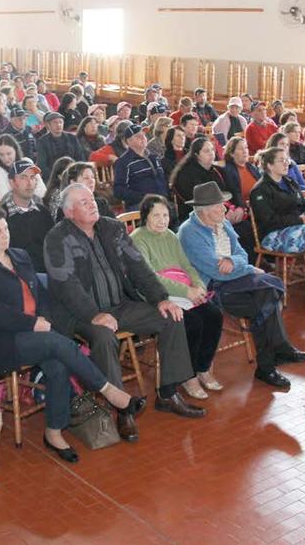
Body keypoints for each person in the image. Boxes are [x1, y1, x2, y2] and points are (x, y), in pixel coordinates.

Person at [0, 205, 144, 462]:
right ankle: (109, 391)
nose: (6, 235)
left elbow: (42, 296)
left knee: (58, 363)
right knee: (56, 345)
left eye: (6, 228)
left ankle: (53, 431)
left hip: (34, 336)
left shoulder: (20, 256)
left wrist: (45, 319)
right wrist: (32, 323)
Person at [44, 183, 205, 443]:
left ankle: (168, 392)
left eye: (92, 199)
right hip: (80, 314)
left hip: (120, 305)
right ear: (69, 212)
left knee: (172, 316)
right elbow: (66, 285)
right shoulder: (57, 238)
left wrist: (160, 299)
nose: (92, 203)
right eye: (84, 202)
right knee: (104, 336)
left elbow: (139, 267)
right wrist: (94, 314)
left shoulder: (113, 228)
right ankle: (122, 409)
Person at [178, 181, 305, 390]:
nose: (224, 208)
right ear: (203, 210)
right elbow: (215, 270)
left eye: (223, 204)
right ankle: (275, 355)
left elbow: (242, 254)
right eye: (218, 205)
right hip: (213, 289)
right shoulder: (189, 232)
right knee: (265, 300)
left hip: (236, 279)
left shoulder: (224, 224)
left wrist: (235, 262)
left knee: (265, 296)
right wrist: (248, 269)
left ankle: (268, 365)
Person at [130, 195, 224, 400]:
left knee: (214, 315)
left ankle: (203, 368)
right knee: (192, 323)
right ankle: (187, 376)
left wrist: (198, 285)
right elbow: (150, 277)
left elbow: (186, 266)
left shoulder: (171, 236)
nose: (162, 220)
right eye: (156, 215)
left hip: (182, 290)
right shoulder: (138, 238)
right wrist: (186, 291)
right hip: (156, 295)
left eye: (165, 215)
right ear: (146, 216)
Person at [249, 147, 305, 286]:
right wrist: (299, 220)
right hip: (272, 236)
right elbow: (268, 220)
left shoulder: (289, 182)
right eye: (281, 160)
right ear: (269, 165)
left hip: (297, 228)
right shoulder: (260, 190)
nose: (287, 163)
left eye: (287, 159)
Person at [114, 124, 168, 212]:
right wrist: (143, 197)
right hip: (140, 205)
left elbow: (162, 179)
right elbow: (118, 190)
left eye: (143, 135)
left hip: (161, 201)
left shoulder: (154, 157)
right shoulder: (123, 162)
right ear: (129, 141)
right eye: (138, 136)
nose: (143, 138)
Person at [169, 137, 226, 221]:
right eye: (206, 151)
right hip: (193, 216)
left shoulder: (214, 170)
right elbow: (195, 202)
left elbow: (223, 193)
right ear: (196, 155)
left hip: (216, 211)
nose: (211, 153)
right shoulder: (185, 174)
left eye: (212, 150)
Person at [36, 111, 85, 180]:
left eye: (60, 122)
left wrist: (74, 174)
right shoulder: (42, 141)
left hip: (73, 174)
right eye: (55, 122)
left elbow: (80, 157)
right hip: (52, 176)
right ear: (48, 125)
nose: (58, 125)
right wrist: (55, 177)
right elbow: (42, 164)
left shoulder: (72, 138)